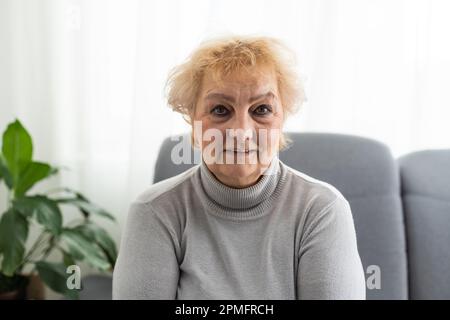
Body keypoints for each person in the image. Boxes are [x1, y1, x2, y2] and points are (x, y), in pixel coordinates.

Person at [113, 35, 366, 299]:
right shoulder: (154, 212)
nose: (241, 132)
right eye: (220, 110)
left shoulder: (322, 210)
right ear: (193, 121)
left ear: (282, 119)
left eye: (262, 110)